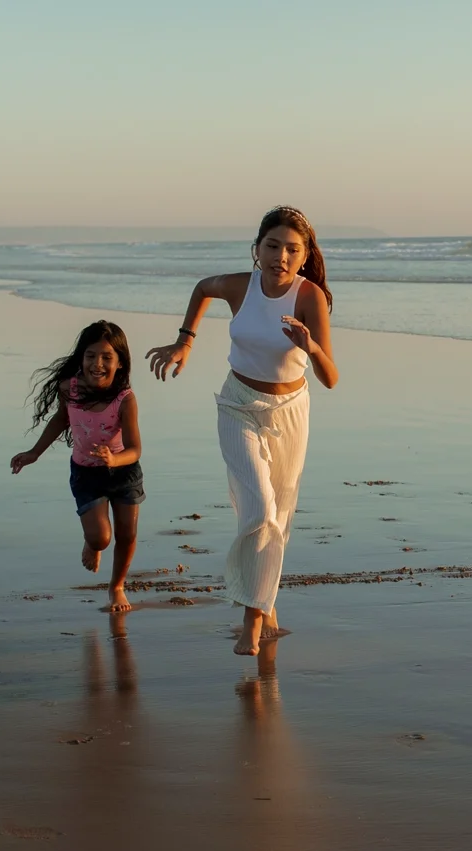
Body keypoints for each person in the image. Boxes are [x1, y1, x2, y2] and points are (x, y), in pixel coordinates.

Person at [144, 206, 339, 656]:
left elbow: (330, 377)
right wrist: (185, 341)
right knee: (258, 510)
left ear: (305, 255)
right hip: (237, 406)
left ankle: (265, 598)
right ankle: (252, 619)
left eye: (293, 249)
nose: (281, 257)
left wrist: (310, 345)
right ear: (257, 249)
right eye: (273, 246)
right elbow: (201, 288)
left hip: (290, 410)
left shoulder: (309, 297)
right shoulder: (240, 286)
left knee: (281, 517)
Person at [11, 320, 144, 612]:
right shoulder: (69, 389)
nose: (98, 364)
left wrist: (113, 458)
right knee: (101, 538)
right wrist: (34, 453)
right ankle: (91, 543)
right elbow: (61, 420)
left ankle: (117, 586)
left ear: (120, 363)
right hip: (86, 473)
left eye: (107, 357)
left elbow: (135, 449)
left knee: (127, 534)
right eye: (91, 356)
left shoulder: (125, 399)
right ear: (81, 358)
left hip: (123, 471)